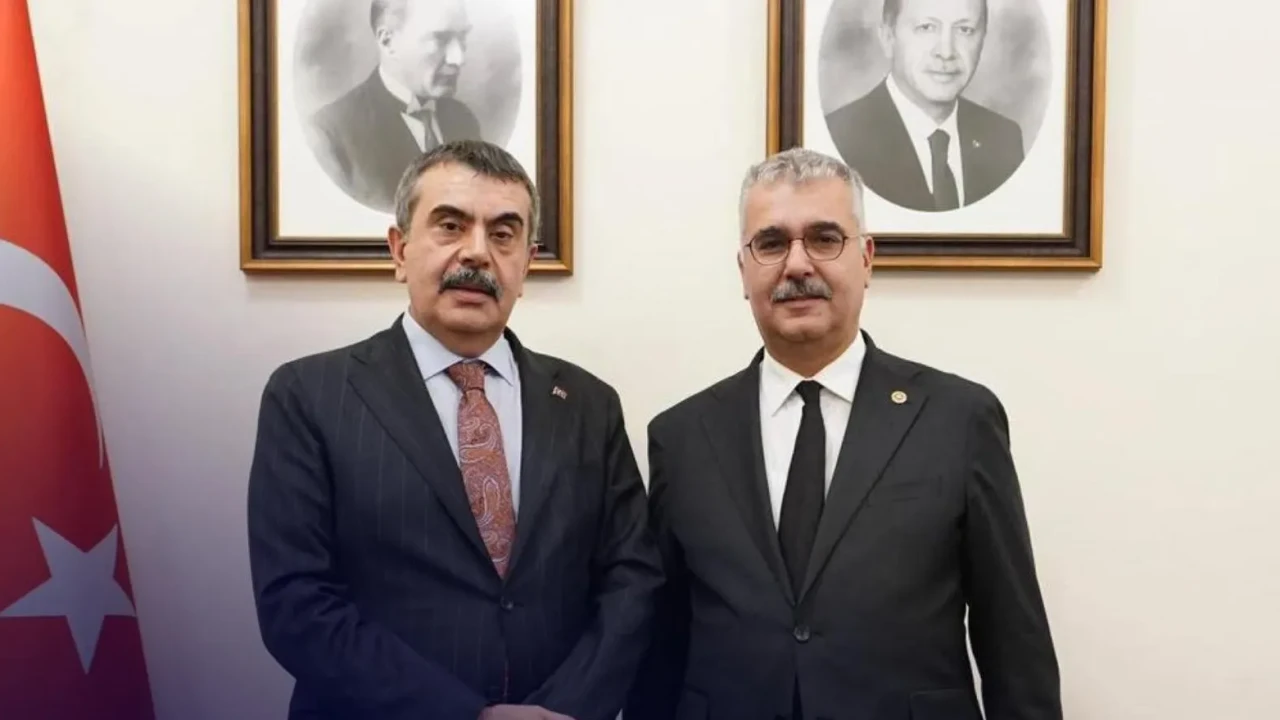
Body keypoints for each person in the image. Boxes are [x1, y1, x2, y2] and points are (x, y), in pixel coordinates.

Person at [624, 147, 1060, 720]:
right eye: (771, 243)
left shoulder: (960, 420)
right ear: (743, 270)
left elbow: (1014, 643)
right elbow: (661, 645)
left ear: (867, 259)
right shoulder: (681, 437)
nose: (797, 265)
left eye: (824, 239)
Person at [247, 140, 662, 720]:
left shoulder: (589, 405)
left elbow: (632, 580)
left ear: (527, 263)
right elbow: (297, 604)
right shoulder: (308, 397)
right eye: (450, 226)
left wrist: (567, 709)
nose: (477, 252)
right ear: (400, 249)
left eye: (503, 233)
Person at [824, 0, 1024, 212]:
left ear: (982, 39)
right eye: (927, 28)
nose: (946, 52)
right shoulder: (841, 140)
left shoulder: (1004, 140)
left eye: (965, 30)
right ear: (888, 37)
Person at [306, 0, 483, 212]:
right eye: (440, 39)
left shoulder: (464, 120)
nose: (458, 58)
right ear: (388, 42)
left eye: (462, 38)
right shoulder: (331, 133)